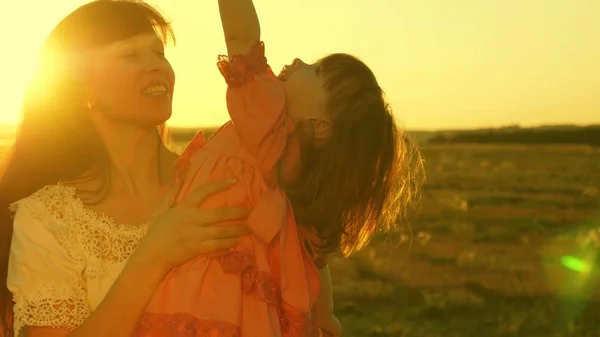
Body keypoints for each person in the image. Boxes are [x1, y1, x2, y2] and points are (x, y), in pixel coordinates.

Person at [136, 0, 425, 336]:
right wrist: (325, 316)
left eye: (316, 71)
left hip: (201, 295)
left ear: (317, 125)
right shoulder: (299, 176)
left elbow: (241, 37)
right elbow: (313, 264)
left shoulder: (268, 120)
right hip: (253, 315)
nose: (301, 61)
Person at [0, 1, 253, 336]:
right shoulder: (47, 218)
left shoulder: (216, 175)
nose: (155, 66)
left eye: (158, 53)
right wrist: (154, 256)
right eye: (129, 56)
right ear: (82, 88)